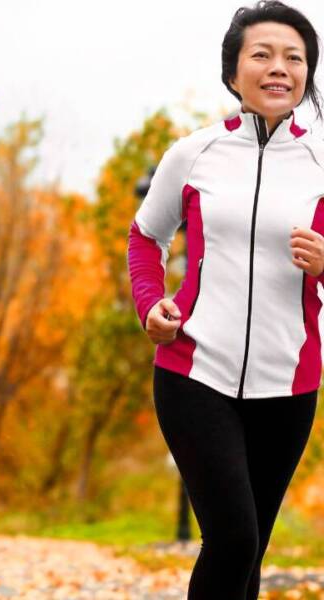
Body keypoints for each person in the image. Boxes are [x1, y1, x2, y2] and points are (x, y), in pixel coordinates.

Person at [127, 2, 324, 598]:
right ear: (233, 71)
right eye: (261, 54)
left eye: (294, 57)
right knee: (233, 535)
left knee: (251, 545)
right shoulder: (194, 153)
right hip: (194, 368)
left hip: (289, 381)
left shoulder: (321, 165)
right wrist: (150, 305)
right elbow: (145, 237)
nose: (278, 68)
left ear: (308, 74)